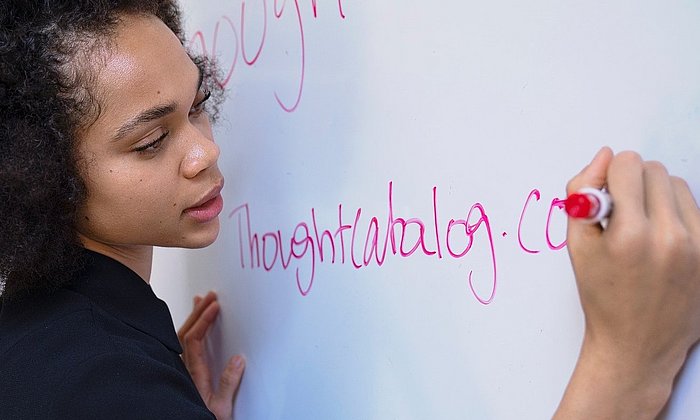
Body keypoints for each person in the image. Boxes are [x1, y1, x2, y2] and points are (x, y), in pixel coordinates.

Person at [0, 1, 698, 419]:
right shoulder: (95, 381)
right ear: (39, 177)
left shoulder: (52, 334)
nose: (204, 153)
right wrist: (625, 371)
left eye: (200, 104)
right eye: (152, 140)